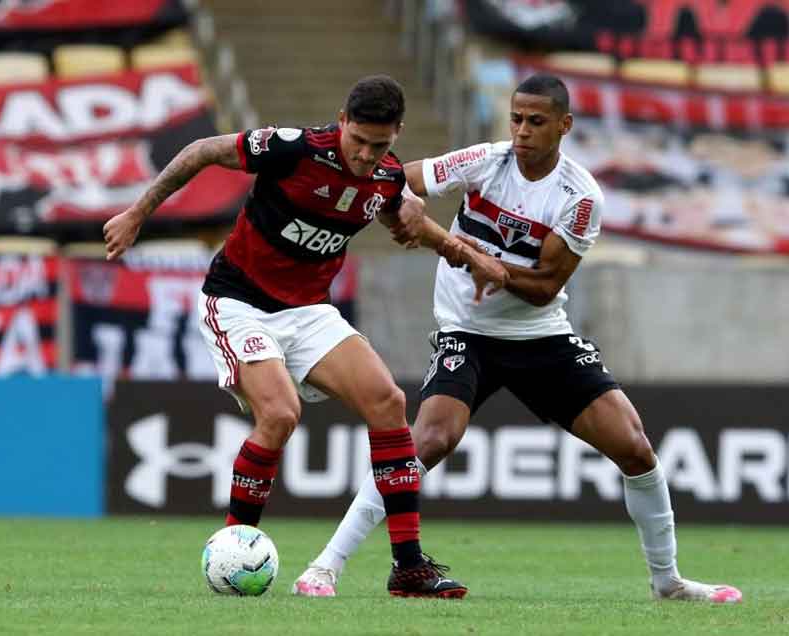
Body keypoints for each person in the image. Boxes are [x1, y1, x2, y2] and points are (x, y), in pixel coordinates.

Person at [292, 74, 743, 603]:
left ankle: (668, 581)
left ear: (564, 126)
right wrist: (404, 202)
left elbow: (545, 287)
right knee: (429, 441)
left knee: (637, 449)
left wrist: (491, 267)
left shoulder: (579, 197)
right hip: (467, 331)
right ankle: (325, 566)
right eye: (516, 119)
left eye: (536, 121)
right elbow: (399, 177)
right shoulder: (486, 160)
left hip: (539, 336)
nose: (522, 131)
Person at [103, 75, 508, 599]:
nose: (364, 155)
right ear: (341, 121)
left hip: (308, 312)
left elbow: (413, 223)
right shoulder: (293, 149)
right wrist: (138, 213)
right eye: (357, 140)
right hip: (239, 302)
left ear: (396, 135)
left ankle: (408, 568)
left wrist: (473, 257)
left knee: (388, 401)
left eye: (379, 145)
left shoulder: (385, 179)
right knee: (280, 413)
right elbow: (202, 150)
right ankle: (235, 544)